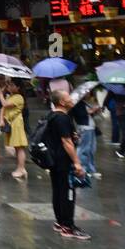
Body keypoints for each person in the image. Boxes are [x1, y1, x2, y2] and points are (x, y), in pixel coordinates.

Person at [45, 90, 89, 239]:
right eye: (68, 97)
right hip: (63, 161)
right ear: (62, 102)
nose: (72, 99)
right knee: (68, 193)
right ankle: (68, 226)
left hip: (53, 160)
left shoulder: (51, 115)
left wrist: (72, 136)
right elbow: (66, 142)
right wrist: (77, 162)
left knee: (57, 191)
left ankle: (60, 222)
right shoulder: (62, 118)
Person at [1, 80, 29, 179]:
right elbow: (4, 107)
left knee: (19, 147)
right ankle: (20, 168)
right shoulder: (11, 96)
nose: (9, 86)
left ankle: (21, 169)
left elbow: (4, 104)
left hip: (17, 124)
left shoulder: (19, 97)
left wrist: (0, 93)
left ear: (18, 88)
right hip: (12, 123)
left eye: (12, 85)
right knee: (17, 148)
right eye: (9, 85)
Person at [75, 88, 102, 180]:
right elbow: (81, 115)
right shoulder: (78, 103)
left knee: (91, 149)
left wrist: (94, 111)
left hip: (90, 127)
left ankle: (90, 169)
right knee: (84, 149)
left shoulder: (84, 103)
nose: (88, 93)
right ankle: (82, 169)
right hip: (84, 128)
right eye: (86, 92)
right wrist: (92, 110)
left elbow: (89, 115)